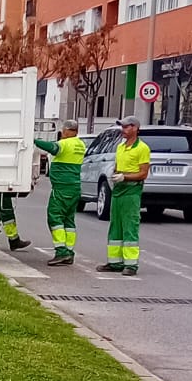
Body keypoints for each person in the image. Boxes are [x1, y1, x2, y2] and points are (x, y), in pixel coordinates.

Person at [98, 117, 151, 276]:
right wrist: (114, 175)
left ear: (135, 128)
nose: (123, 130)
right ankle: (115, 262)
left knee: (129, 227)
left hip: (131, 190)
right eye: (122, 127)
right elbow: (117, 166)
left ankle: (131, 265)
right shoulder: (121, 146)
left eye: (126, 127)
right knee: (115, 225)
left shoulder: (142, 148)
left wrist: (124, 177)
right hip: (119, 190)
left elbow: (143, 173)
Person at [33, 122, 87, 266]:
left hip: (62, 187)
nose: (62, 132)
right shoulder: (80, 144)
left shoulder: (66, 143)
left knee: (54, 217)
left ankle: (61, 251)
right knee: (68, 220)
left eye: (64, 130)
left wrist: (32, 140)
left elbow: (53, 148)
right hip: (74, 186)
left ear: (71, 131)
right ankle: (69, 252)